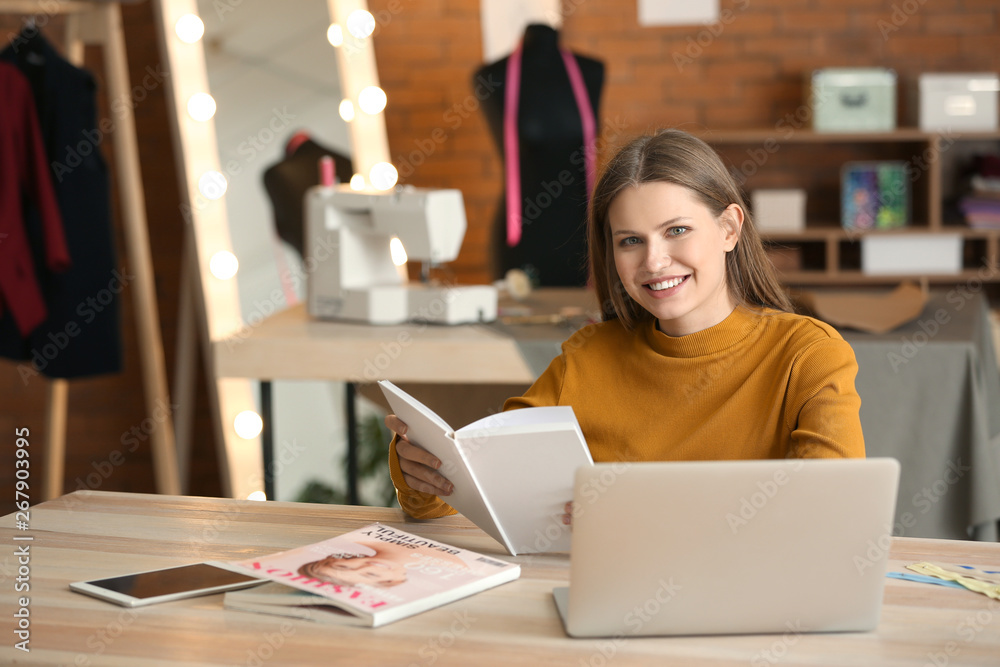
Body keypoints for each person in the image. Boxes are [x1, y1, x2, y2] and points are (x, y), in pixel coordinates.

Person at [386, 129, 866, 522]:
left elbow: (830, 512)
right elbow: (472, 488)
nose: (654, 261)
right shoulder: (588, 356)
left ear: (729, 229)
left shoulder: (807, 354)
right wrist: (421, 469)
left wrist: (642, 511)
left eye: (677, 230)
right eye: (630, 240)